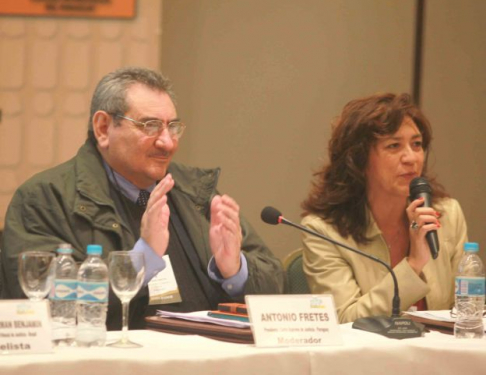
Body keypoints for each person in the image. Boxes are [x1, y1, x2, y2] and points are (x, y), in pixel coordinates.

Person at [1, 66, 285, 329]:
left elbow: (277, 280)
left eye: (172, 127)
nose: (167, 142)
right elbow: (47, 299)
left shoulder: (195, 192)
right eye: (150, 126)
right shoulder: (45, 198)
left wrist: (234, 271)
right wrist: (143, 258)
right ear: (103, 128)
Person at [301, 93, 467, 323]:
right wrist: (414, 264)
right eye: (394, 145)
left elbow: (467, 310)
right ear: (359, 160)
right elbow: (345, 321)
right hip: (366, 358)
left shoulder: (447, 215)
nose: (411, 157)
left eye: (416, 144)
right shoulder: (325, 231)